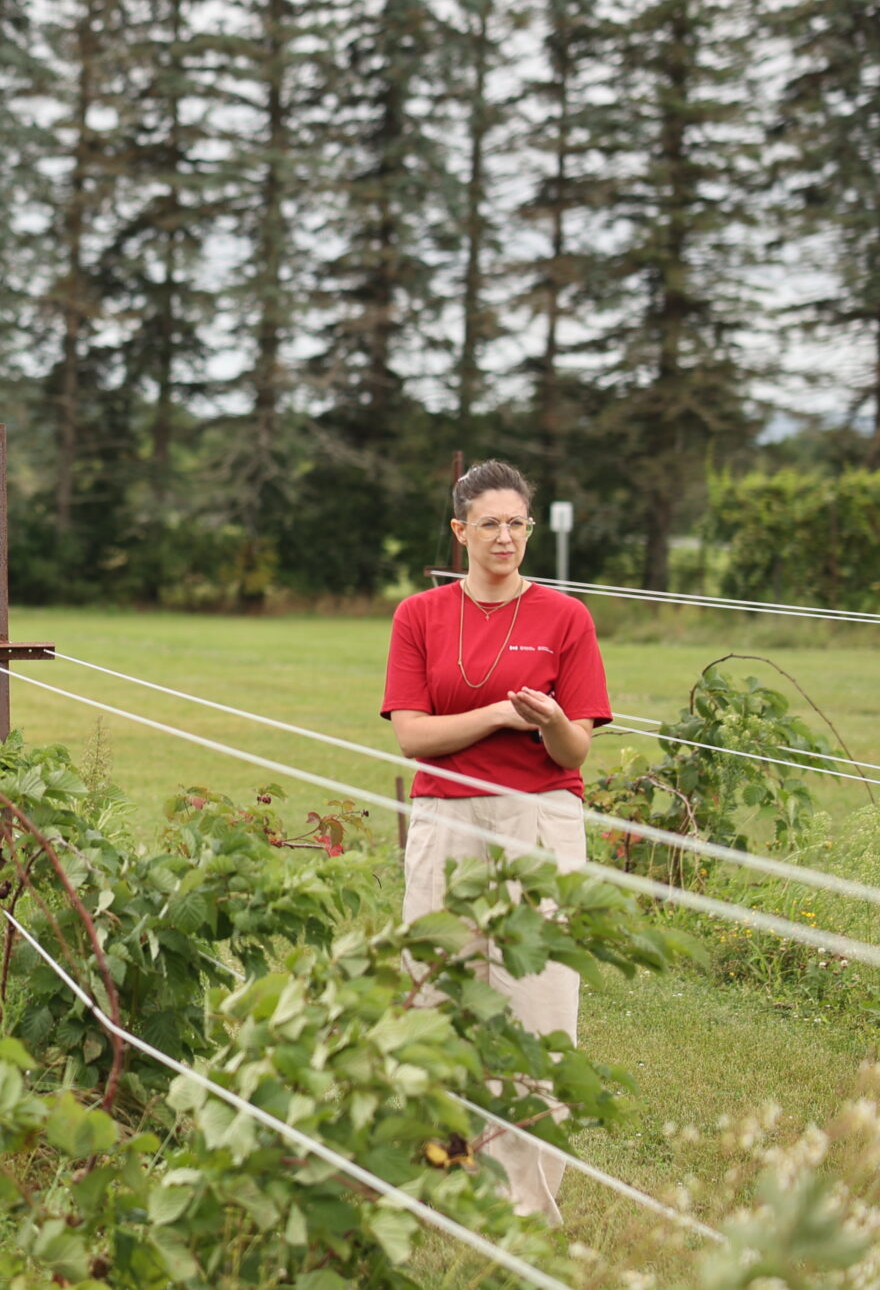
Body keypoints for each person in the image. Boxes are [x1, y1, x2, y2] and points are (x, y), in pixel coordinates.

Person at [382, 459, 610, 1222]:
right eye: (490, 523)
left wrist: (549, 722)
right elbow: (413, 736)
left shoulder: (565, 618)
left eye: (517, 523)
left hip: (537, 816)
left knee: (537, 998)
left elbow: (576, 753)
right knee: (441, 985)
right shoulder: (419, 615)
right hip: (446, 816)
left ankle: (524, 1198)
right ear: (460, 531)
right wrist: (498, 717)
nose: (505, 536)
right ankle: (445, 1173)